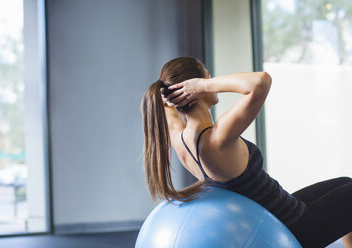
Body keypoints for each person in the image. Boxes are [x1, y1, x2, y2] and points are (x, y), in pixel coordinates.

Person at [140, 56, 352, 248]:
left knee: (344, 181)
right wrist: (204, 84)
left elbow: (164, 108)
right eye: (208, 75)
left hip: (276, 215)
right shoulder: (216, 139)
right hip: (298, 227)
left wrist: (172, 92)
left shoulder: (181, 140)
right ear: (197, 88)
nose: (212, 79)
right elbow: (261, 82)